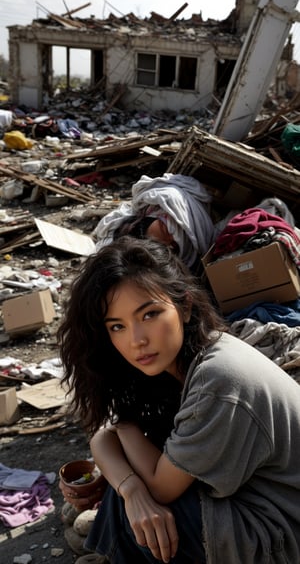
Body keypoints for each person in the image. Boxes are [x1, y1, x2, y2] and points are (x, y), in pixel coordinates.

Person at [58, 235, 300, 564]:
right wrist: (131, 489)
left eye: (149, 314)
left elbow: (159, 487)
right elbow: (103, 437)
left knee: (144, 514)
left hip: (281, 533)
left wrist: (126, 444)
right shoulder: (183, 362)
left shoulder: (218, 381)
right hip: (258, 504)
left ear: (184, 307)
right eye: (117, 326)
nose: (137, 340)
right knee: (134, 492)